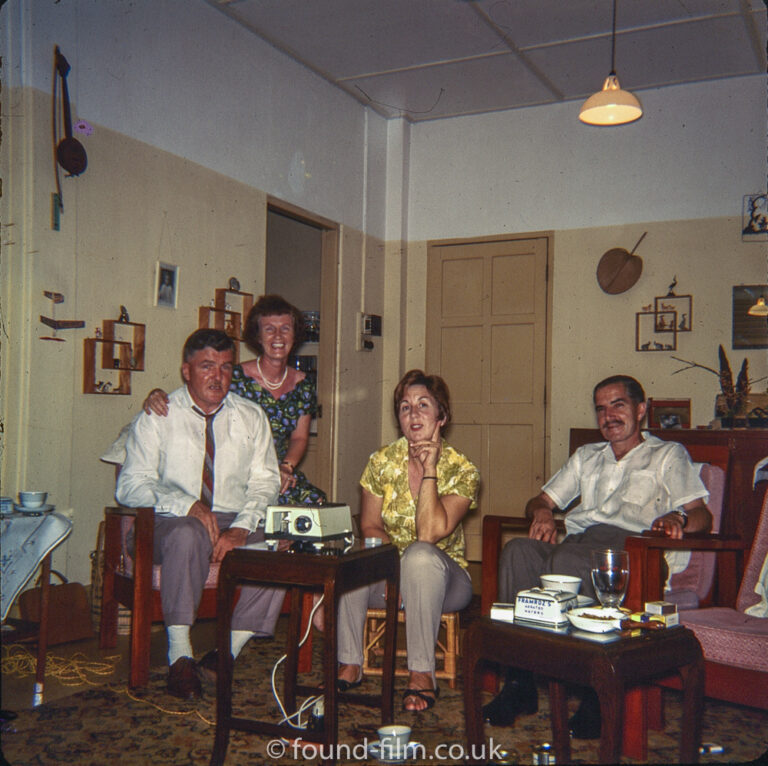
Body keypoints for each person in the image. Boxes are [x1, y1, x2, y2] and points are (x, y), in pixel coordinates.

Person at [483, 374, 712, 737]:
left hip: (634, 551)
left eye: (618, 405)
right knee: (518, 552)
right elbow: (541, 500)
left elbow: (702, 514)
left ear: (641, 409)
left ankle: (596, 693)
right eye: (601, 408)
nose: (608, 415)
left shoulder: (667, 455)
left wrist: (678, 517)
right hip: (580, 544)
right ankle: (519, 682)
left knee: (564, 563)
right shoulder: (587, 456)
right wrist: (542, 511)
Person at [116, 328, 284, 700]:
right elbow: (129, 486)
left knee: (281, 545)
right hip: (165, 523)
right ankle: (180, 657)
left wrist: (241, 527)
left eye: (225, 367)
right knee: (188, 532)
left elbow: (265, 483)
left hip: (230, 518)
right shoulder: (158, 415)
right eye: (207, 366)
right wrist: (186, 504)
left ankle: (225, 653)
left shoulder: (251, 416)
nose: (217, 376)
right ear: (186, 370)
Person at [336, 370, 480, 712]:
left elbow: (430, 534)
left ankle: (421, 673)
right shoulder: (381, 462)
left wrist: (430, 469)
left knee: (419, 554)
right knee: (355, 557)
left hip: (446, 581)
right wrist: (390, 572)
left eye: (423, 405)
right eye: (404, 407)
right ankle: (349, 662)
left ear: (441, 416)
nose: (413, 414)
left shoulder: (464, 470)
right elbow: (370, 526)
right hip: (388, 575)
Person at [143, 294, 326, 506]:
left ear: (295, 335)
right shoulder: (234, 375)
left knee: (316, 505)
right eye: (269, 329)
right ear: (257, 336)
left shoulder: (304, 384)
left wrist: (286, 467)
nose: (278, 336)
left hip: (279, 470)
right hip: (236, 470)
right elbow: (195, 393)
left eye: (285, 328)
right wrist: (156, 395)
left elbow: (299, 439)